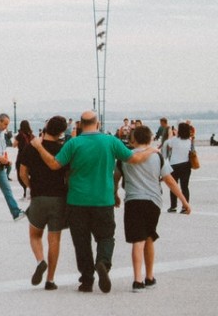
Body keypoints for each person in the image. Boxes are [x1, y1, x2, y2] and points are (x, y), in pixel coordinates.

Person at [30, 110, 156, 293]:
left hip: (77, 201)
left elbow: (54, 164)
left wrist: (39, 147)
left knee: (81, 242)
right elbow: (135, 159)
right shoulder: (110, 141)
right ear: (98, 124)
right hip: (103, 200)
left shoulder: (73, 143)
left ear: (80, 124)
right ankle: (103, 262)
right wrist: (151, 149)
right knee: (105, 237)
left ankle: (87, 280)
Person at [116, 124, 190, 291]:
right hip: (153, 202)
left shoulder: (125, 157)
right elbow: (170, 181)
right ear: (150, 138)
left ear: (133, 139)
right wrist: (184, 202)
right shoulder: (157, 157)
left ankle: (137, 280)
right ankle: (149, 277)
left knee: (137, 240)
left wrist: (115, 195)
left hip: (133, 201)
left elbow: (116, 177)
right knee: (149, 238)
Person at [18, 116, 69, 291]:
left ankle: (40, 261)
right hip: (59, 197)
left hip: (39, 197)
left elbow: (22, 171)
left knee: (35, 235)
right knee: (54, 239)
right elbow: (68, 175)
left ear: (46, 127)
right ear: (62, 132)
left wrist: (31, 186)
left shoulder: (32, 147)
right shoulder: (63, 149)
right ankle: (50, 280)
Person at [162, 122, 194, 213]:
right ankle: (185, 206)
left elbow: (168, 144)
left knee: (173, 185)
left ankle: (173, 206)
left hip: (174, 165)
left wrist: (171, 134)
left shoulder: (174, 140)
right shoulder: (189, 140)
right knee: (185, 187)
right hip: (186, 165)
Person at [14, 120, 34, 198]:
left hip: (21, 156)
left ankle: (26, 190)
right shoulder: (31, 135)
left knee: (21, 174)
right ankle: (30, 190)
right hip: (31, 156)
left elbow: (14, 145)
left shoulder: (20, 135)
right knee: (30, 173)